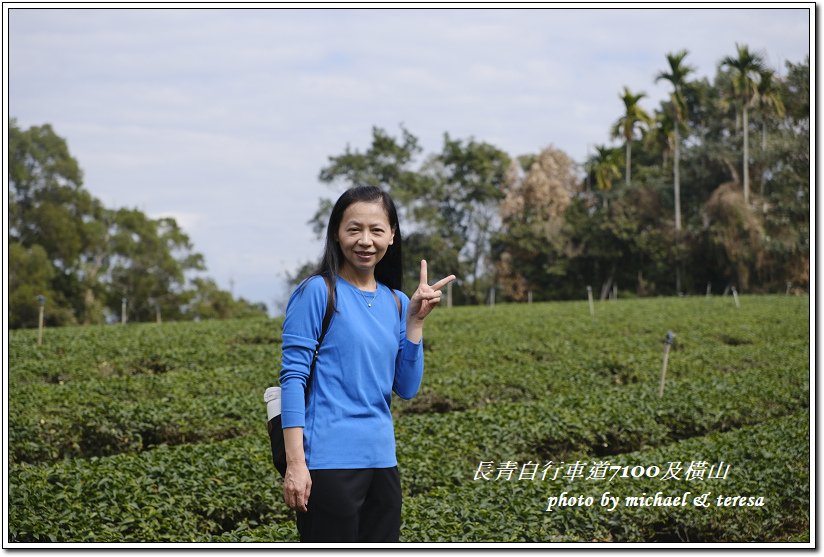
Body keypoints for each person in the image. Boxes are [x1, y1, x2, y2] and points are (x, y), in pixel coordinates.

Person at [278, 185, 456, 543]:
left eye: (376, 230)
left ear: (392, 236)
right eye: (354, 229)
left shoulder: (396, 301)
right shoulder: (317, 292)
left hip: (382, 460)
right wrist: (296, 464)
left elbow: (406, 388)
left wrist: (416, 324)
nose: (365, 240)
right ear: (336, 234)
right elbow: (293, 379)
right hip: (328, 462)